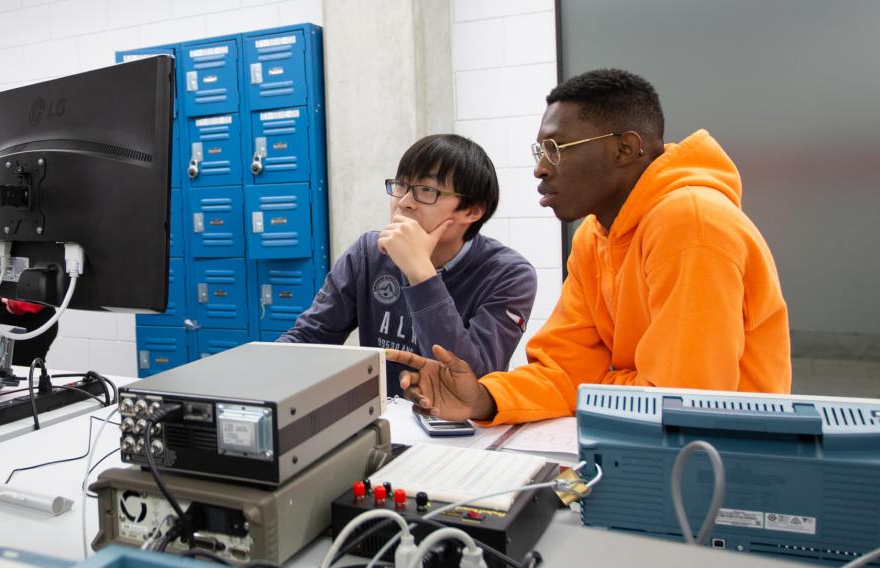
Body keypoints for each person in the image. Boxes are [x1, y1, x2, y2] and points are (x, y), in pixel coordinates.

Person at [394, 68, 791, 424]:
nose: (540, 168)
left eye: (555, 149)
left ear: (623, 148)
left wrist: (599, 380)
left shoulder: (691, 223)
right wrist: (484, 398)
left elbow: (682, 405)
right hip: (646, 449)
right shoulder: (594, 235)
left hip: (727, 471)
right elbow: (566, 371)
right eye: (539, 151)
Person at [279, 134, 537, 396]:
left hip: (466, 432)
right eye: (401, 185)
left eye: (427, 191)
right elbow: (309, 338)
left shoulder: (509, 274)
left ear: (472, 211)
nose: (404, 202)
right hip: (385, 418)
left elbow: (471, 385)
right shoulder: (368, 253)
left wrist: (421, 273)